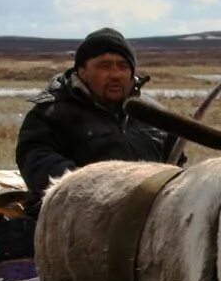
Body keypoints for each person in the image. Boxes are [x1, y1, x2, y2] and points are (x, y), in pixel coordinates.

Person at [15, 27, 177, 216]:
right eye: (105, 66)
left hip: (149, 220)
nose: (115, 74)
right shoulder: (51, 113)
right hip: (75, 220)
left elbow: (176, 164)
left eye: (123, 66)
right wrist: (97, 188)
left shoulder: (153, 114)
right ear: (82, 72)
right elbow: (37, 161)